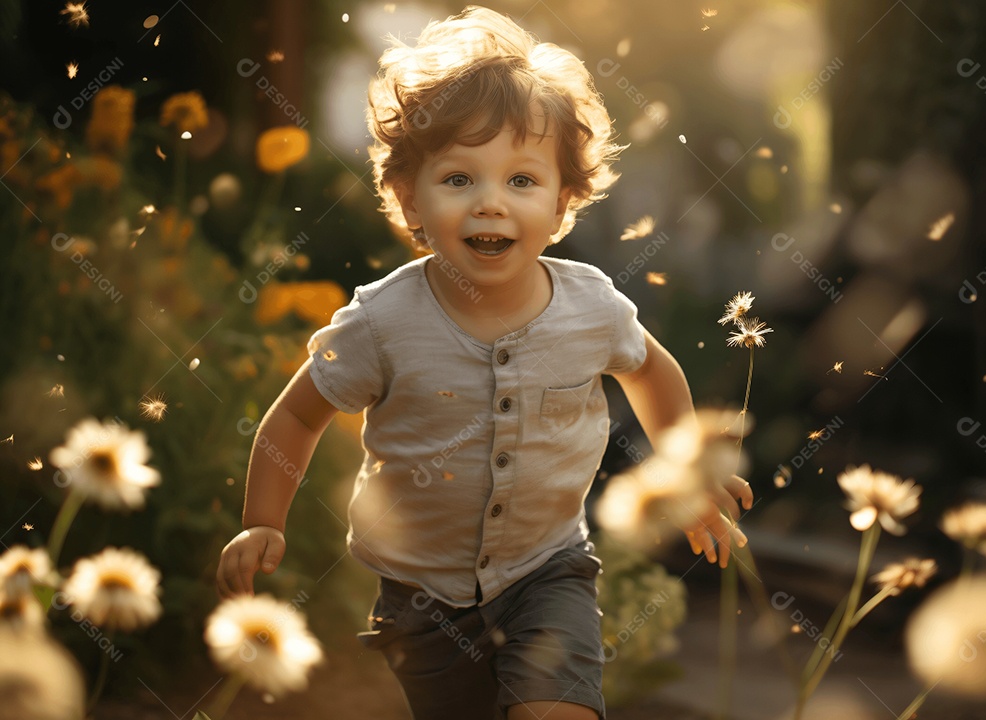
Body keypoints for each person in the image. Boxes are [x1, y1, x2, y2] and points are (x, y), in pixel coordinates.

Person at [216, 6, 753, 719]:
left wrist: (689, 472)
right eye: (460, 179)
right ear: (408, 197)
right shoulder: (383, 321)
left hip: (550, 572)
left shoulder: (591, 307)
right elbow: (296, 417)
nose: (490, 205)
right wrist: (263, 520)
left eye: (521, 182)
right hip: (419, 601)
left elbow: (652, 371)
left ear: (564, 201)